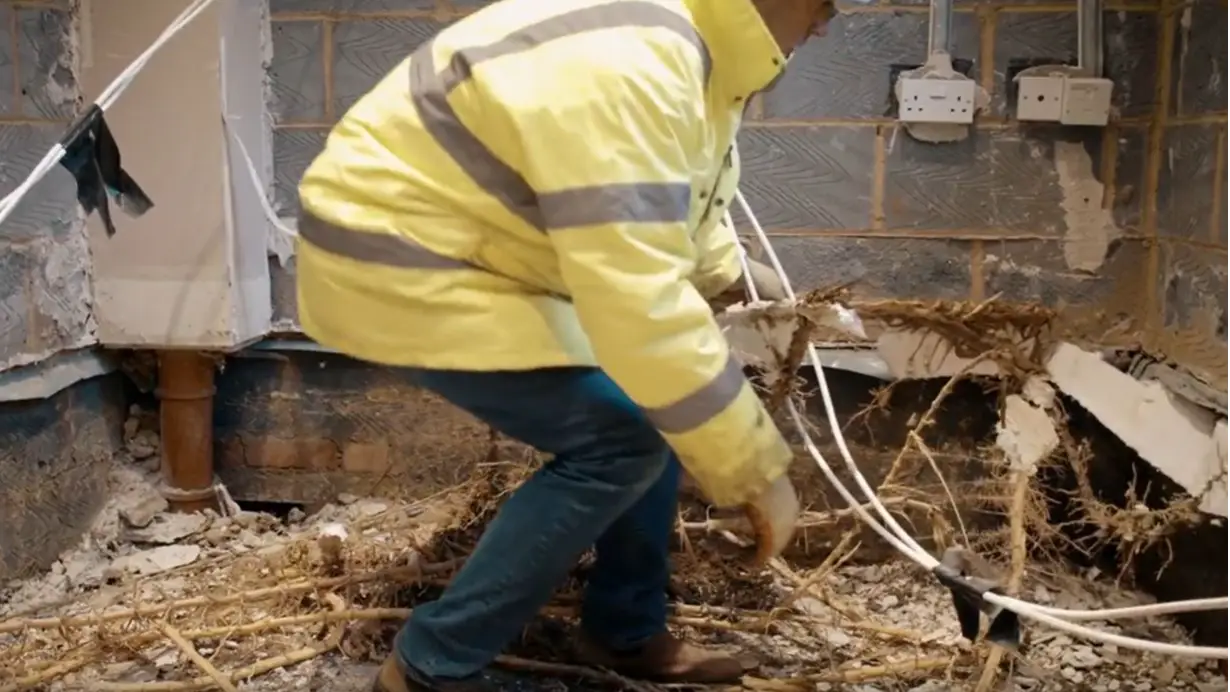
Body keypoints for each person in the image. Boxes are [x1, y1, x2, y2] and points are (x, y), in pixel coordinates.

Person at [293, 0, 841, 689]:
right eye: (828, 3)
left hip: (477, 256)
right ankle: (432, 667)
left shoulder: (694, 48)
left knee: (654, 410)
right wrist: (754, 470)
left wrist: (735, 279)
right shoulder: (640, 60)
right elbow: (640, 301)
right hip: (400, 261)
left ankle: (624, 630)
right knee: (623, 441)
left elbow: (674, 203)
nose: (827, 24)